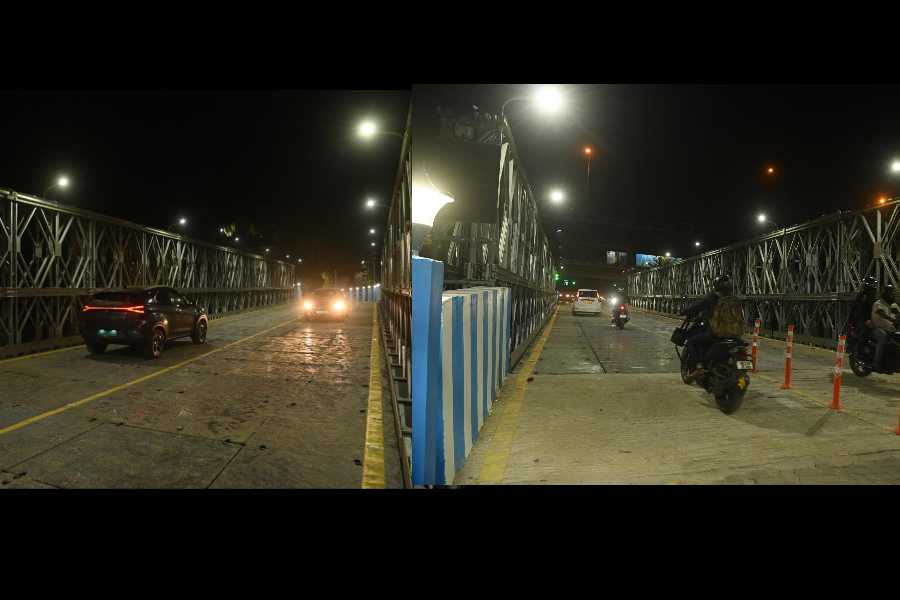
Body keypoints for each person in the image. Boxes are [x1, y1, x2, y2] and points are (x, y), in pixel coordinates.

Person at [680, 274, 740, 379]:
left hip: (716, 333)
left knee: (691, 342)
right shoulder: (734, 299)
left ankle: (698, 367)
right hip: (734, 334)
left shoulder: (713, 297)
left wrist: (684, 311)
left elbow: (698, 306)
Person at [869, 284, 900, 370]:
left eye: (892, 293)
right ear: (885, 293)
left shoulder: (893, 305)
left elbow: (898, 314)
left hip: (890, 329)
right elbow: (881, 313)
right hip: (878, 328)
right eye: (890, 293)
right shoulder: (878, 303)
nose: (892, 295)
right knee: (883, 337)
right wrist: (891, 319)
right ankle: (876, 363)